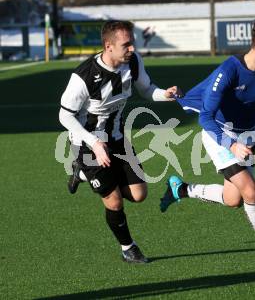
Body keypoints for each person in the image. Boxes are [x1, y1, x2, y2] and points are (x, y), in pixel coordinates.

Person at [160, 17, 255, 267]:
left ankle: (182, 189)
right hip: (218, 134)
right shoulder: (229, 70)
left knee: (234, 199)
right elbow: (206, 117)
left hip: (246, 136)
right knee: (251, 190)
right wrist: (230, 145)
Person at [59, 20, 182, 264]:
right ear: (108, 46)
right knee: (114, 200)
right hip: (87, 143)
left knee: (138, 195)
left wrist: (164, 95)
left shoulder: (133, 62)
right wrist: (93, 142)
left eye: (132, 43)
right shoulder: (83, 76)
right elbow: (64, 115)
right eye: (126, 45)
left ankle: (80, 174)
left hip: (116, 138)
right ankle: (128, 248)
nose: (132, 49)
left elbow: (146, 89)